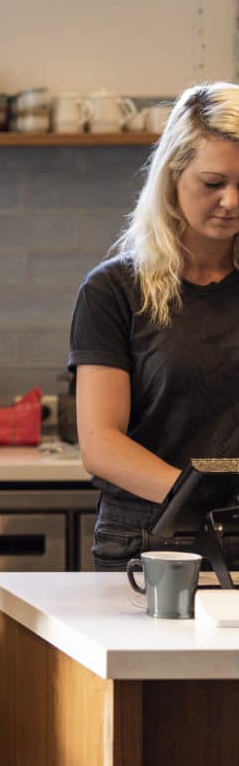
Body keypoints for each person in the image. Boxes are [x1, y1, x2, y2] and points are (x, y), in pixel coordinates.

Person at [70, 82, 239, 570]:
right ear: (172, 177)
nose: (231, 201)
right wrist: (202, 499)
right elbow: (101, 443)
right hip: (148, 538)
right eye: (212, 183)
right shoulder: (114, 290)